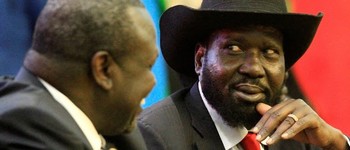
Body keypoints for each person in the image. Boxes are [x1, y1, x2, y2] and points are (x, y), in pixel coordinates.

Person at [137, 0, 350, 150]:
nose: (254, 68)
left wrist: (336, 144)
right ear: (200, 59)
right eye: (234, 48)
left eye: (269, 52)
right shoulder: (153, 137)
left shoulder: (296, 134)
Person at [0, 0, 158, 149]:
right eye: (149, 66)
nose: (154, 82)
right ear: (103, 69)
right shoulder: (28, 126)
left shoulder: (113, 125)